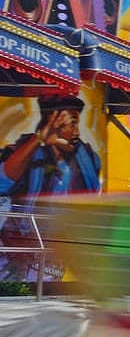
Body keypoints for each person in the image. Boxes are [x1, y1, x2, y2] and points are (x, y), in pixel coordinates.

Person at [1, 95, 101, 279]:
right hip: (14, 256)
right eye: (71, 124)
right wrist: (39, 139)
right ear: (51, 123)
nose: (77, 132)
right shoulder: (22, 153)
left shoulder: (88, 160)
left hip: (56, 257)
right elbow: (2, 181)